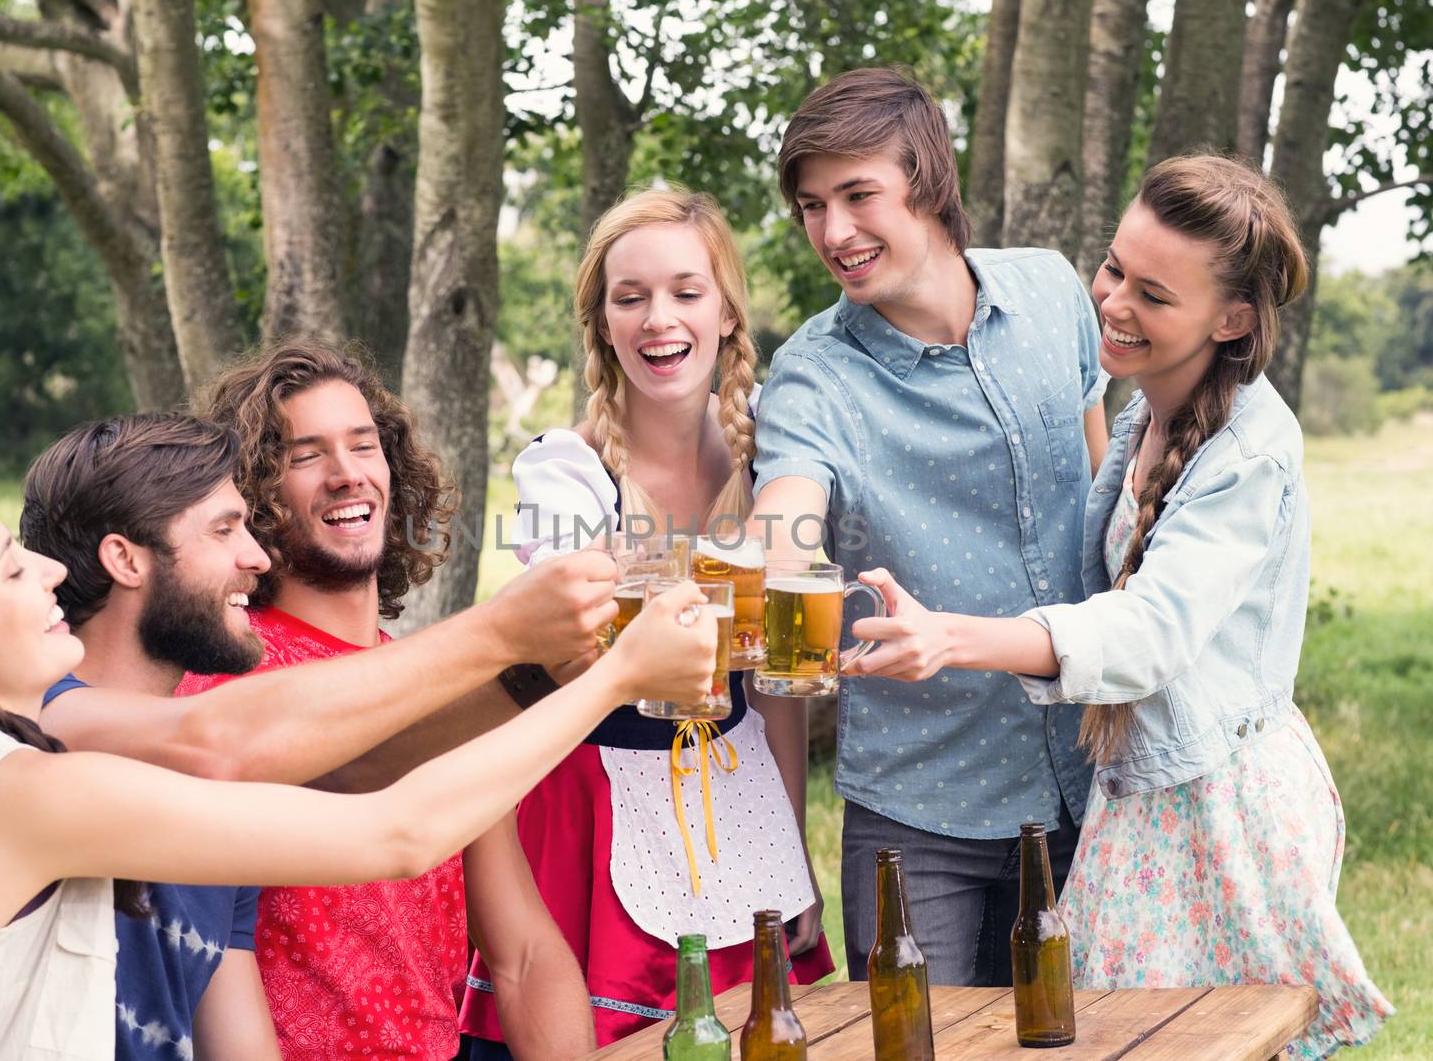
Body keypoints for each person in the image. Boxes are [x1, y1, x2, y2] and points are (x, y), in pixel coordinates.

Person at [0, 475, 717, 1059]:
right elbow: (396, 829)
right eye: (8, 568)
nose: (50, 571)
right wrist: (615, 679)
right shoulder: (24, 793)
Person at [848, 154, 1392, 1057]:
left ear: (1233, 319)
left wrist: (952, 638)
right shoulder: (1146, 416)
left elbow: (1150, 631)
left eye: (1153, 293)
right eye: (1112, 269)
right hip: (1141, 799)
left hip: (1220, 804)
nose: (1113, 303)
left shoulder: (1249, 453)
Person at [20, 411, 620, 1060]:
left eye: (365, 445)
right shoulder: (41, 735)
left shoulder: (220, 802)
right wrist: (564, 657)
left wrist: (552, 670)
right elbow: (391, 823)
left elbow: (375, 798)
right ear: (125, 559)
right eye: (225, 529)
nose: (255, 554)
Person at [749, 66, 1110, 985]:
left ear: (930, 180)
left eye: (857, 194)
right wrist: (768, 556)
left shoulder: (1053, 293)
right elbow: (785, 516)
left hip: (1093, 784)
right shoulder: (812, 378)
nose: (833, 232)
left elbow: (1106, 504)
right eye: (811, 205)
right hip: (919, 815)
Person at [461, 188, 835, 1057]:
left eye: (685, 291)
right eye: (630, 297)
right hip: (594, 796)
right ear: (601, 321)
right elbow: (572, 635)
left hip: (736, 790)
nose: (658, 319)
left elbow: (779, 685)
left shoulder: (773, 455)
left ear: (728, 310)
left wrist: (796, 859)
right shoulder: (568, 472)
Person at [180, 339, 615, 1061]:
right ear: (254, 490)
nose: (349, 474)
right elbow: (349, 771)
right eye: (307, 454)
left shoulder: (438, 683)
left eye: (364, 445)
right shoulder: (234, 674)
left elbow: (524, 952)